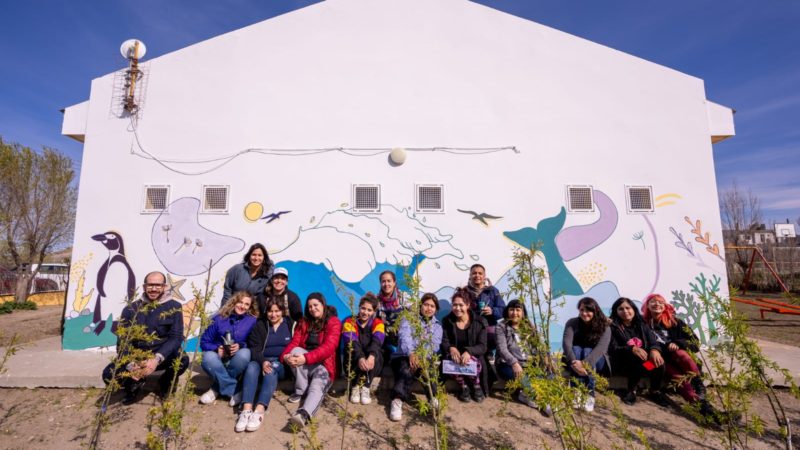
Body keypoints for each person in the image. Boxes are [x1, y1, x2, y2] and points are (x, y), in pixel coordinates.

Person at [101, 271, 189, 405]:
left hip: (160, 356)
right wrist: (131, 365)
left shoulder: (174, 307)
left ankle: (164, 383)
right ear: (144, 287)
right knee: (108, 374)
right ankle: (134, 384)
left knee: (182, 360)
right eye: (150, 285)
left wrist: (156, 359)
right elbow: (123, 340)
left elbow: (176, 337)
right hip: (137, 356)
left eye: (158, 285)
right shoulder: (131, 309)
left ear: (164, 287)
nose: (154, 288)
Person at [642, 293, 717, 418]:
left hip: (677, 360)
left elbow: (695, 343)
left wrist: (678, 343)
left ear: (665, 306)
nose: (657, 304)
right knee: (681, 381)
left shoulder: (675, 322)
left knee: (680, 353)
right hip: (656, 362)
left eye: (660, 302)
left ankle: (700, 388)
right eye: (653, 302)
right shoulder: (642, 323)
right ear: (647, 306)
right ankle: (706, 411)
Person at [280, 292, 342, 428]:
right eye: (309, 307)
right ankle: (301, 390)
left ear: (323, 305)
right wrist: (285, 356)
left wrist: (305, 358)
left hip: (324, 365)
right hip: (306, 362)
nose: (312, 309)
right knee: (294, 352)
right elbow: (295, 342)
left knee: (317, 386)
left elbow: (329, 347)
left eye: (316, 305)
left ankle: (304, 414)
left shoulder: (333, 322)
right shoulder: (304, 322)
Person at [235, 298, 294, 432]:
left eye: (277, 311)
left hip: (281, 363)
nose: (273, 315)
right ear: (266, 312)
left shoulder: (290, 324)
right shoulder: (260, 325)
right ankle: (246, 410)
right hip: (262, 359)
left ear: (282, 311)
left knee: (271, 369)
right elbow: (254, 348)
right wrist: (262, 361)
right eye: (270, 311)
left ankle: (259, 410)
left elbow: (296, 343)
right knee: (251, 367)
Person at [389, 293, 443, 421]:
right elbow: (404, 337)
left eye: (432, 306)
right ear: (420, 306)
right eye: (426, 304)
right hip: (403, 356)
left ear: (436, 310)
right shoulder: (408, 319)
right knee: (406, 368)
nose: (428, 308)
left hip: (424, 358)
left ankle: (433, 398)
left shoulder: (438, 326)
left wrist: (420, 356)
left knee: (427, 371)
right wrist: (411, 353)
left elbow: (434, 345)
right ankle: (397, 400)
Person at [199, 291, 258, 405]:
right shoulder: (218, 318)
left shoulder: (252, 321)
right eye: (240, 302)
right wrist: (217, 348)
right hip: (219, 358)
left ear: (250, 307)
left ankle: (215, 389)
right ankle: (235, 390)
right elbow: (204, 342)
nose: (242, 306)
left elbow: (253, 343)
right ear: (234, 302)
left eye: (246, 304)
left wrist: (240, 345)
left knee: (245, 353)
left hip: (237, 359)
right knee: (207, 357)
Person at [609, 297, 668, 406]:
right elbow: (612, 349)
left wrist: (655, 350)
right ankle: (631, 390)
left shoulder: (641, 325)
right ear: (616, 312)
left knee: (659, 363)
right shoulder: (613, 327)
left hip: (644, 366)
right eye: (621, 309)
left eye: (628, 308)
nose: (625, 311)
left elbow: (653, 342)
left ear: (633, 309)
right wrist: (631, 349)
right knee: (637, 358)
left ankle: (655, 391)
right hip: (623, 365)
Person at [562, 297, 611, 412]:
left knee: (588, 350)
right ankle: (576, 392)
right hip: (574, 359)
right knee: (576, 348)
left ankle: (590, 394)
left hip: (597, 361)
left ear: (595, 311)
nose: (584, 313)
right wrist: (575, 363)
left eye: (588, 310)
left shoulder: (605, 326)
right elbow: (566, 344)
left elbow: (601, 348)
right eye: (582, 310)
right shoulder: (572, 323)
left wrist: (584, 364)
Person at [441, 287, 489, 403]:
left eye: (461, 305)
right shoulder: (447, 321)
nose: (457, 308)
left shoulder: (479, 322)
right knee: (451, 360)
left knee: (473, 361)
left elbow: (482, 346)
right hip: (455, 357)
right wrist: (451, 348)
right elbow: (444, 340)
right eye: (454, 305)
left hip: (473, 357)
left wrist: (469, 351)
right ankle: (463, 386)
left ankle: (476, 385)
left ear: (468, 305)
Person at [496, 299, 541, 409]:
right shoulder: (501, 327)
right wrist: (514, 363)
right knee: (521, 377)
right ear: (507, 311)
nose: (514, 313)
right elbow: (502, 349)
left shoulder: (529, 327)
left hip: (527, 364)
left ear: (523, 312)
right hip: (507, 364)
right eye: (511, 310)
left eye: (518, 310)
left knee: (548, 375)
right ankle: (538, 399)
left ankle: (524, 394)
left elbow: (539, 347)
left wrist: (544, 358)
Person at [342, 293, 386, 405]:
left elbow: (377, 340)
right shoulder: (349, 321)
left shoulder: (378, 323)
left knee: (377, 353)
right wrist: (360, 358)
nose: (365, 312)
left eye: (369, 310)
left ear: (374, 312)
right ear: (359, 307)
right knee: (352, 351)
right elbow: (352, 341)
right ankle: (355, 386)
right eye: (363, 308)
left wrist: (371, 356)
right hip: (356, 359)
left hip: (370, 360)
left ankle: (366, 387)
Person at [465, 264, 505, 350]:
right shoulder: (464, 291)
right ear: (470, 275)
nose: (477, 275)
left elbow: (503, 310)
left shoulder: (493, 291)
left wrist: (492, 311)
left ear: (484, 276)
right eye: (474, 273)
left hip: (489, 329)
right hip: (470, 329)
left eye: (480, 273)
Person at [376, 270, 409, 357]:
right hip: (384, 342)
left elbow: (414, 318)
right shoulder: (376, 301)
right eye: (383, 281)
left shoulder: (403, 297)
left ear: (394, 282)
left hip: (403, 342)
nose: (386, 284)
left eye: (389, 281)